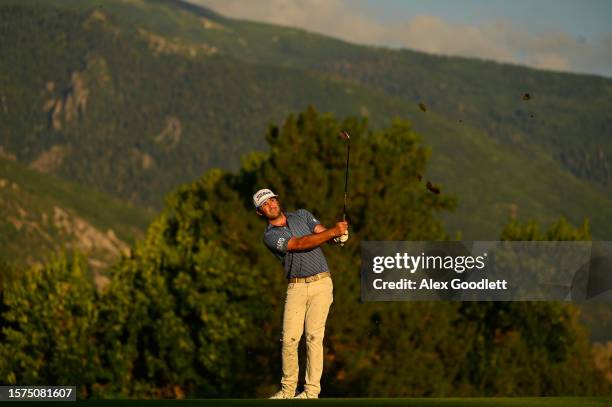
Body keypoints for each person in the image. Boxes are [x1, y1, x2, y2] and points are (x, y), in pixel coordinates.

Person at [253, 188, 348, 399]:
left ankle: (311, 392)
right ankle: (288, 390)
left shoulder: (302, 215)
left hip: (321, 282)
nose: (271, 205)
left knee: (314, 336)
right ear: (260, 213)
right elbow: (299, 244)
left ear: (278, 200)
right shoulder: (270, 236)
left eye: (272, 200)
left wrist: (339, 236)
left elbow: (322, 232)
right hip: (296, 287)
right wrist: (332, 232)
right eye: (265, 205)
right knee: (289, 339)